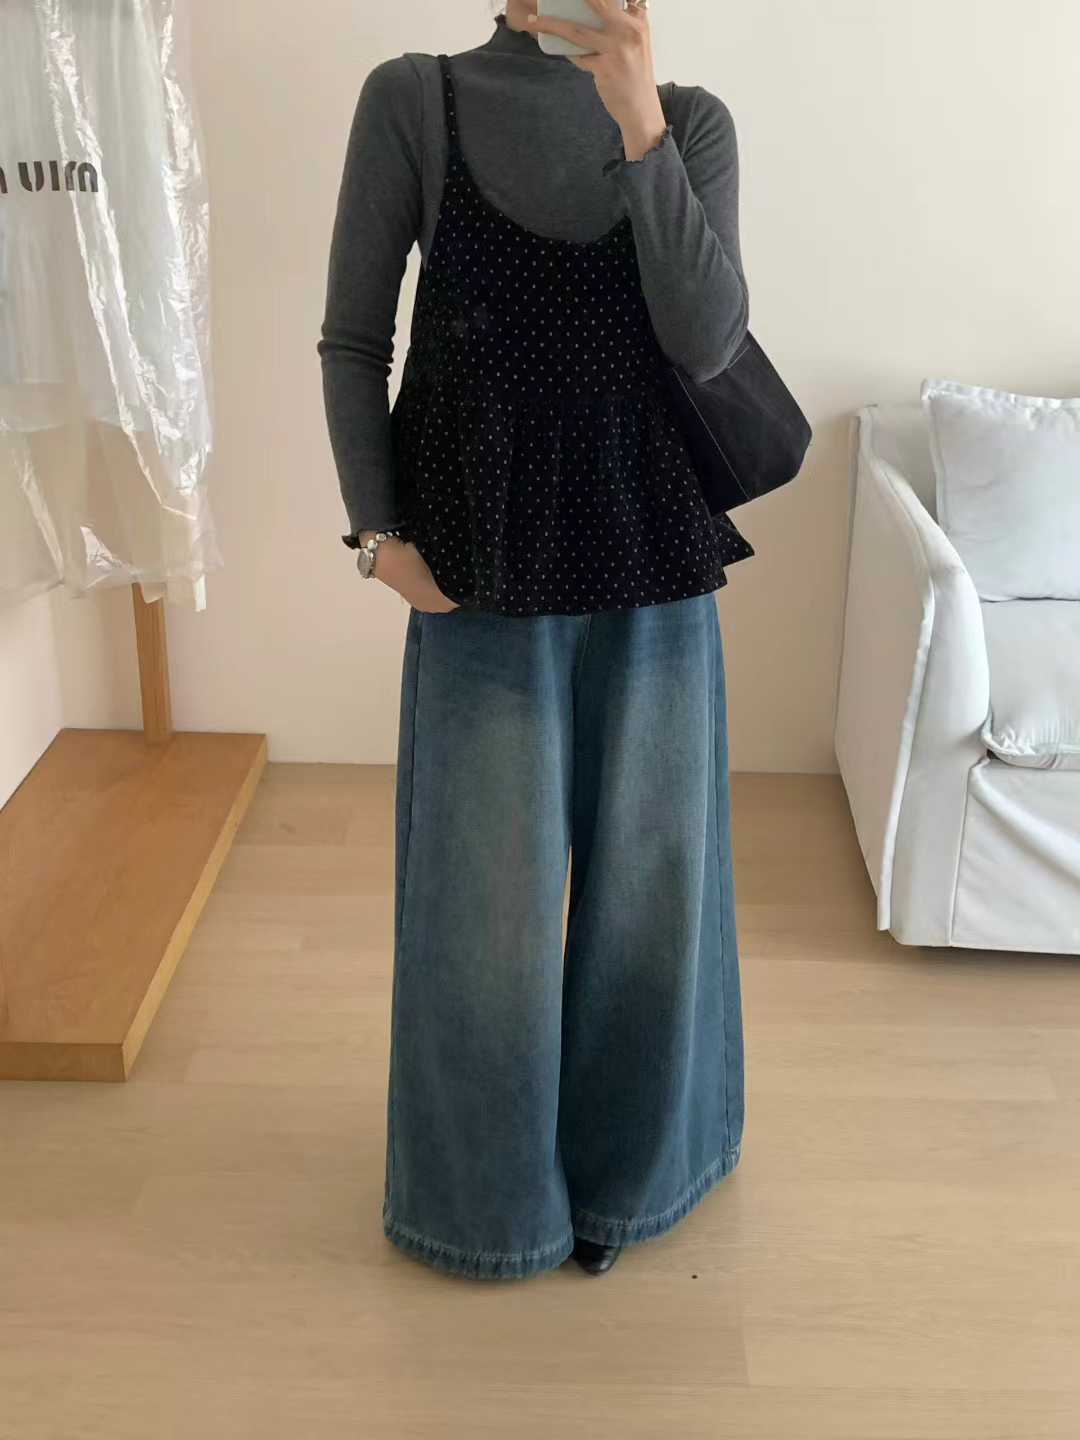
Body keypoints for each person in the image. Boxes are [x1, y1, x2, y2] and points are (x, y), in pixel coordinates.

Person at [317, 0, 753, 1281]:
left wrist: (640, 126)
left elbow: (710, 341)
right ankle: (483, 1205)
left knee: (653, 894)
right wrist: (374, 533)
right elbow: (354, 337)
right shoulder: (416, 98)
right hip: (477, 569)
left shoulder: (693, 124)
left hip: (651, 560)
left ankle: (634, 1182)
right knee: (481, 905)